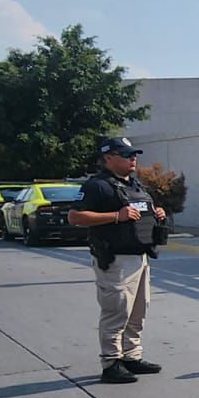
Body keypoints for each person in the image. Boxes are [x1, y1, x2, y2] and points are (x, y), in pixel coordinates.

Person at [69, 136, 167, 384]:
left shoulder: (135, 184)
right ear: (109, 157)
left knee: (138, 311)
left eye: (134, 154)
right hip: (115, 259)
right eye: (126, 154)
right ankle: (111, 362)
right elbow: (75, 217)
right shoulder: (97, 186)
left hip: (139, 256)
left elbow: (140, 212)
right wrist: (116, 215)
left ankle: (131, 356)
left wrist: (156, 214)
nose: (133, 158)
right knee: (116, 311)